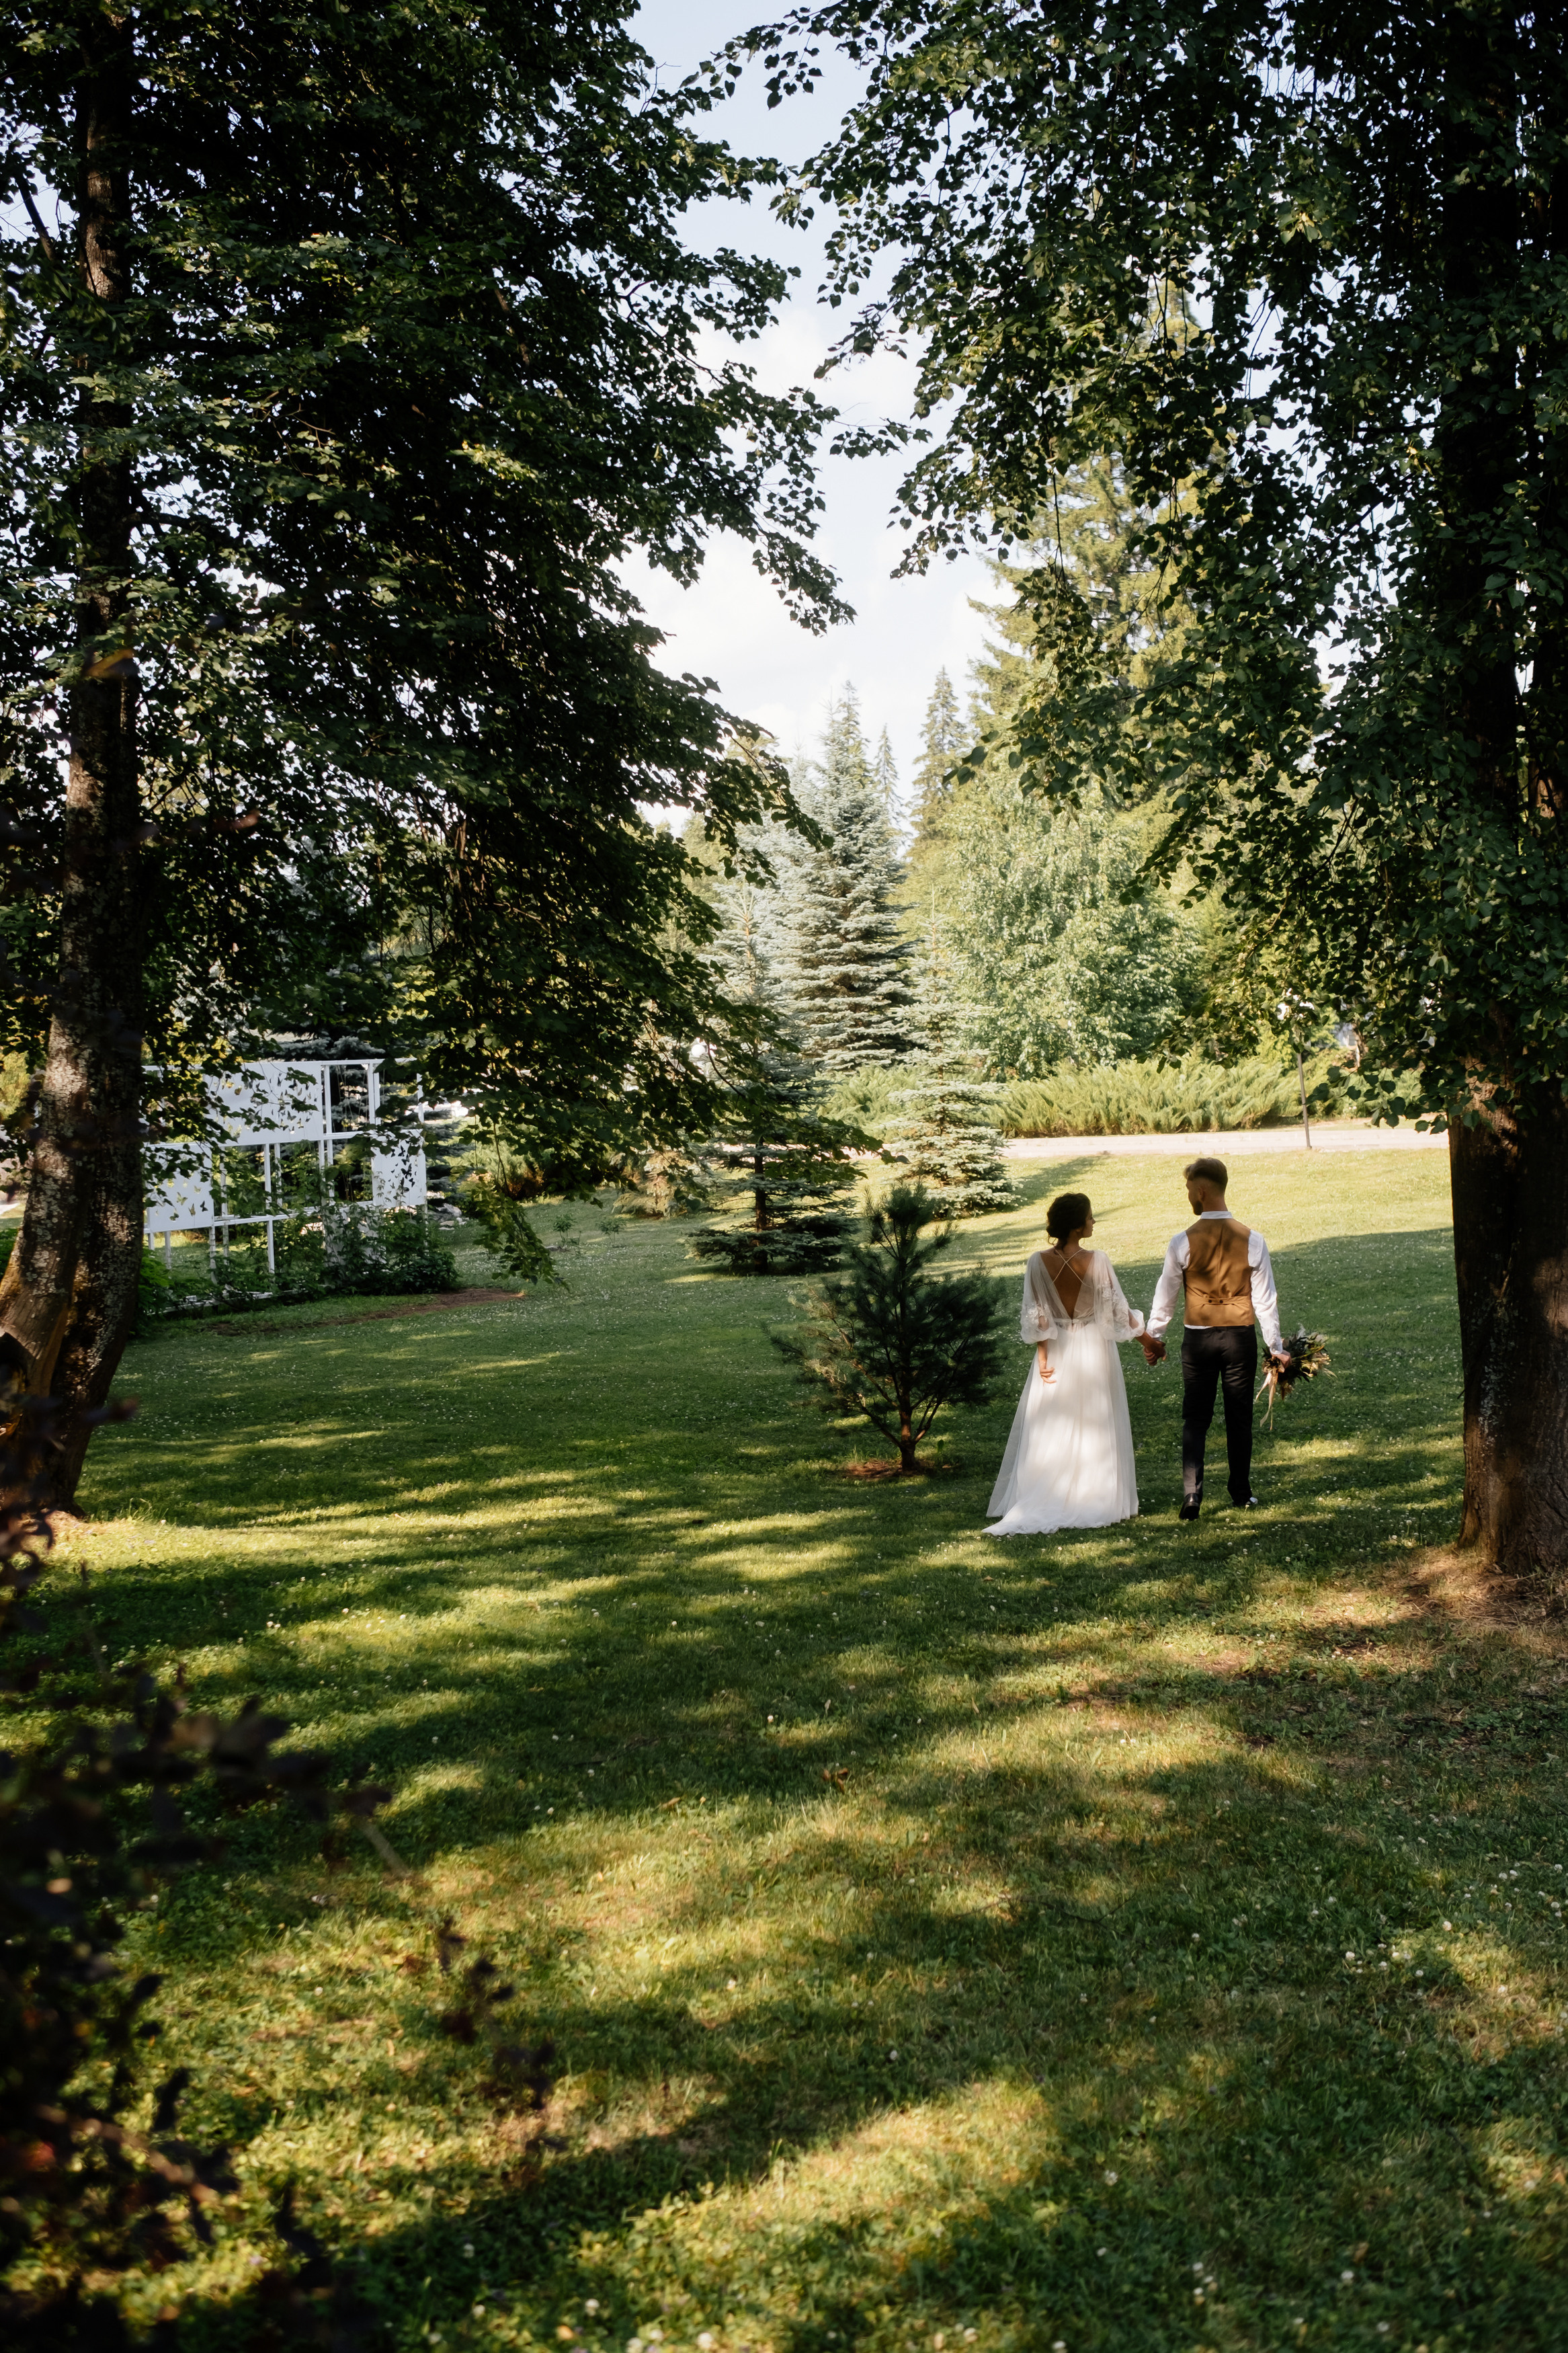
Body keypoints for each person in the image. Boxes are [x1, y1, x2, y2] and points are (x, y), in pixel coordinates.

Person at [985, 1190, 1148, 1536]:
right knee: (1095, 1416)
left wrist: (1043, 1356)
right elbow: (1118, 1311)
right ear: (1076, 1227)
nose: (1094, 1222)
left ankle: (1053, 1491)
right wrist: (1149, 1341)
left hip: (1057, 1347)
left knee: (1053, 1421)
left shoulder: (1037, 1262)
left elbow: (1038, 1314)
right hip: (1094, 1347)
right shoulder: (1097, 1260)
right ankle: (1094, 1493)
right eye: (1090, 1217)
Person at [1140, 1155, 1283, 1519]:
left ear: (1202, 1191)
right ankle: (1241, 1493)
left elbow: (1166, 1295)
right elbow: (1265, 1300)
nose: (1188, 1195)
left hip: (1198, 1341)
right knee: (1239, 1417)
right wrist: (1276, 1348)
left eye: (1189, 1189)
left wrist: (1155, 1338)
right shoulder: (1253, 1240)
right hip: (1239, 1339)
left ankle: (1192, 1496)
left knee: (1196, 1418)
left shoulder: (1182, 1242)